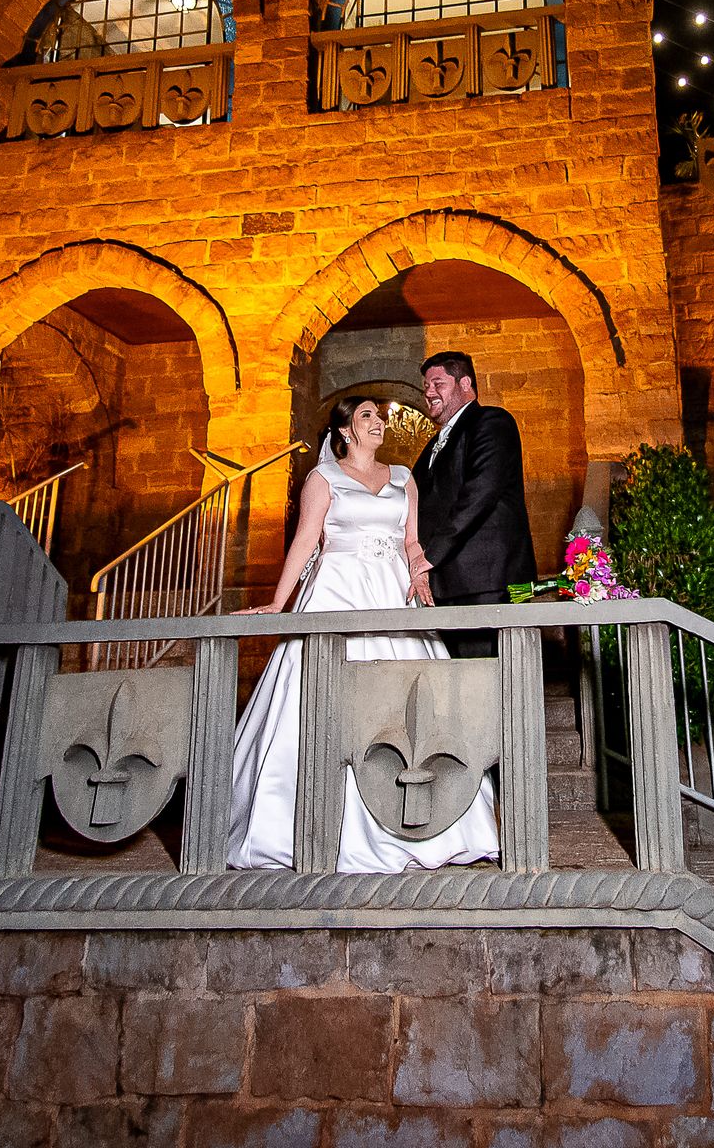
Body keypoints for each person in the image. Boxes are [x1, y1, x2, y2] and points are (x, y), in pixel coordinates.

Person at [227, 395, 500, 871]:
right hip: (338, 592)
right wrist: (277, 602)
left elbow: (412, 542)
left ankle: (427, 819)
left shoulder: (402, 478)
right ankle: (314, 824)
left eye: (380, 416)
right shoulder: (322, 479)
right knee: (323, 697)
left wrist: (418, 576)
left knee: (409, 699)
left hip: (391, 593)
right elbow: (306, 540)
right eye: (367, 416)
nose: (379, 422)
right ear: (346, 432)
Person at [412, 351, 536, 657]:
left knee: (492, 677)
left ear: (465, 383)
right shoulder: (431, 445)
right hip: (449, 583)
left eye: (437, 383)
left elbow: (481, 491)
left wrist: (432, 554)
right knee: (463, 683)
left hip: (489, 580)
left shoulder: (492, 421)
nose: (428, 392)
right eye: (426, 385)